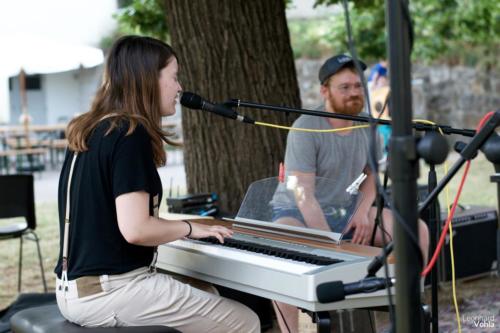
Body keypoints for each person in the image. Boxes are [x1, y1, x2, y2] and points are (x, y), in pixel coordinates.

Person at [54, 35, 260, 333]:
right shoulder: (129, 133)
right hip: (111, 291)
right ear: (148, 79)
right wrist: (189, 228)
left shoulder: (92, 128)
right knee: (244, 321)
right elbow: (136, 230)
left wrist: (190, 224)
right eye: (174, 78)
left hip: (75, 290)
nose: (179, 88)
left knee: (207, 291)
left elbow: (116, 223)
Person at [272, 54, 429, 332]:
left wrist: (362, 211)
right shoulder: (305, 127)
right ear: (325, 91)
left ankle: (410, 314)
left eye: (358, 86)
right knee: (283, 248)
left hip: (345, 209)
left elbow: (371, 173)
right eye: (345, 87)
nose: (354, 93)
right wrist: (332, 243)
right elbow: (302, 194)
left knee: (416, 230)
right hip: (295, 211)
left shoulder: (368, 126)